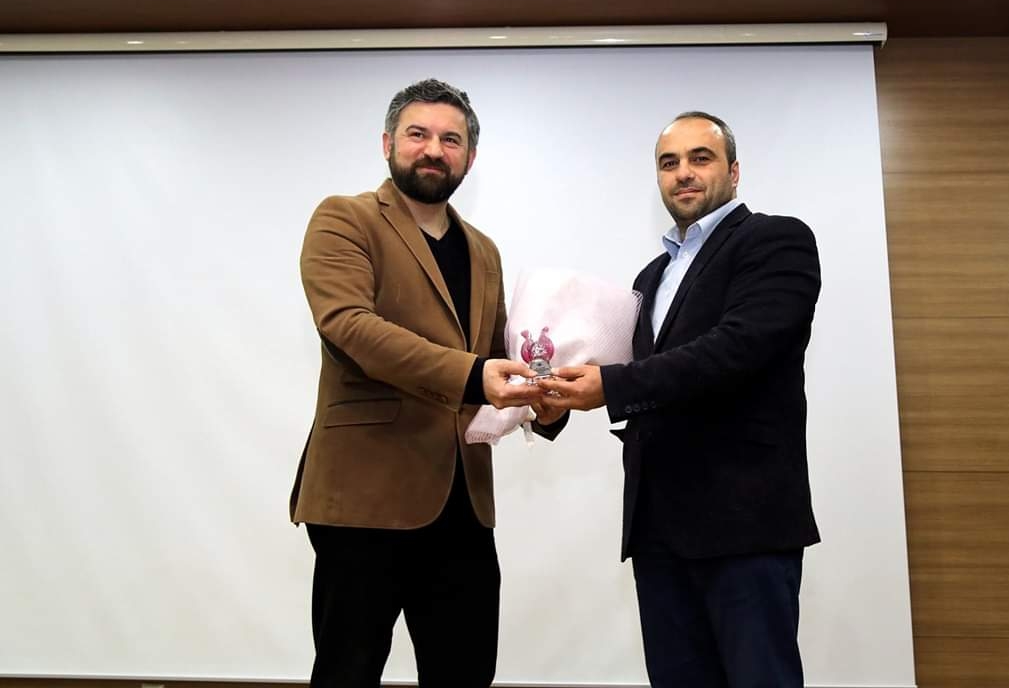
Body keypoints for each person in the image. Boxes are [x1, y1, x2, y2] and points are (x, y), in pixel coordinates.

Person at [289, 78, 560, 688]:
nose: (434, 149)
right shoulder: (344, 219)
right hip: (365, 501)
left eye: (451, 140)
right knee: (347, 672)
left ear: (470, 157)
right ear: (388, 143)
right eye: (418, 134)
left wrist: (544, 396)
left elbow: (497, 355)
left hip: (464, 504)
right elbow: (350, 328)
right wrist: (476, 376)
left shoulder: (483, 250)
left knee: (466, 673)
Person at [542, 112, 821, 687]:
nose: (683, 173)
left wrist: (610, 387)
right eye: (669, 163)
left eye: (700, 158)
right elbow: (627, 371)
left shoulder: (776, 240)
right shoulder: (650, 277)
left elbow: (736, 349)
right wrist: (548, 402)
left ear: (734, 171)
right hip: (659, 529)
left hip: (744, 525)